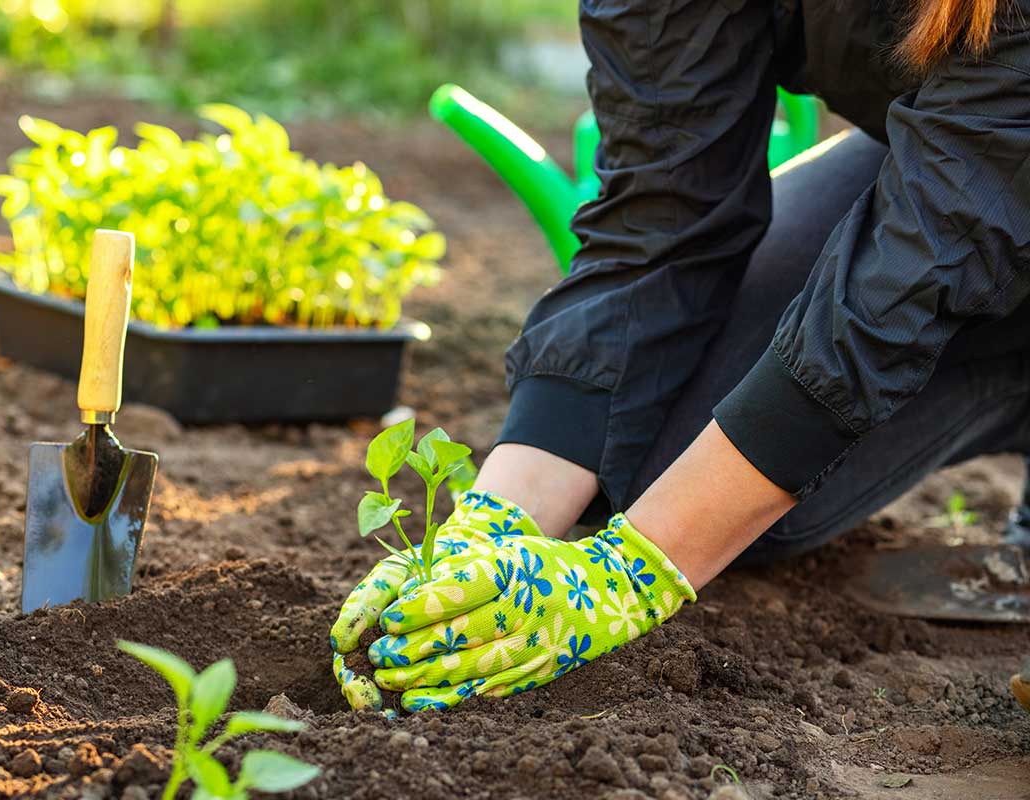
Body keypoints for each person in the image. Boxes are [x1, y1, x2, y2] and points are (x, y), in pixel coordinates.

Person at [331, 0, 1030, 713]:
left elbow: (911, 280)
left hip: (992, 166)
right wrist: (492, 525)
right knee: (662, 472)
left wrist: (629, 578)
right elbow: (659, 207)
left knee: (708, 501)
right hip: (968, 161)